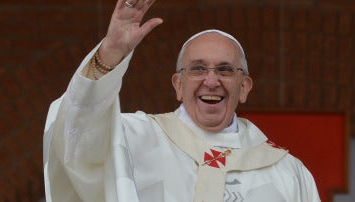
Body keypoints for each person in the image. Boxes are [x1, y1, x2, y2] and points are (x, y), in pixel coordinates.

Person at [43, 0, 321, 201]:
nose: (211, 81)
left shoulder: (286, 171)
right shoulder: (135, 139)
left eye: (225, 70)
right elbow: (76, 135)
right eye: (198, 69)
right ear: (178, 85)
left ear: (244, 87)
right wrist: (110, 53)